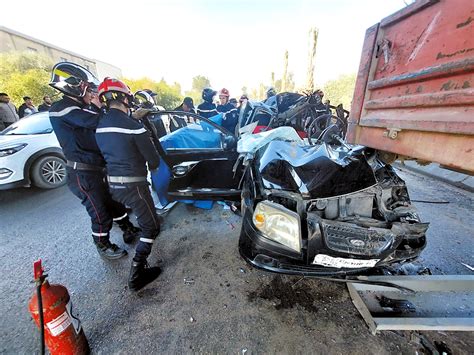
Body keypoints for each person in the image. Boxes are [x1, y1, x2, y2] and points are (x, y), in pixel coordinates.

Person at [48, 62, 140, 260]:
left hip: (97, 169)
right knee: (99, 211)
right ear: (75, 86)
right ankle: (102, 244)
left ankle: (127, 228)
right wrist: (127, 114)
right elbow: (98, 120)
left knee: (115, 202)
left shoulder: (80, 107)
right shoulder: (62, 108)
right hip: (82, 173)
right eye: (88, 89)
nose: (91, 94)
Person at [96, 78, 162, 291]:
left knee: (145, 219)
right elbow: (153, 161)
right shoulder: (134, 127)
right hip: (134, 186)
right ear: (126, 98)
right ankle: (137, 274)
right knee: (151, 227)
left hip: (113, 186)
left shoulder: (101, 125)